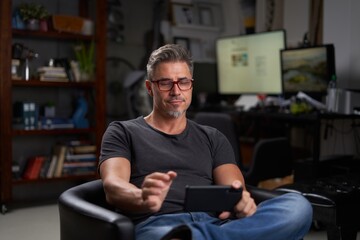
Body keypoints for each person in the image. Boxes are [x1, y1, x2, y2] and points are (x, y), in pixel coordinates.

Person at [99, 44, 313, 240]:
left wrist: (242, 201)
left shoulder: (213, 137)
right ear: (149, 87)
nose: (176, 91)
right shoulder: (122, 131)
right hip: (161, 227)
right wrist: (141, 196)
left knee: (297, 206)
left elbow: (234, 189)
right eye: (165, 83)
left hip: (217, 224)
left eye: (183, 82)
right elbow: (113, 186)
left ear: (191, 85)